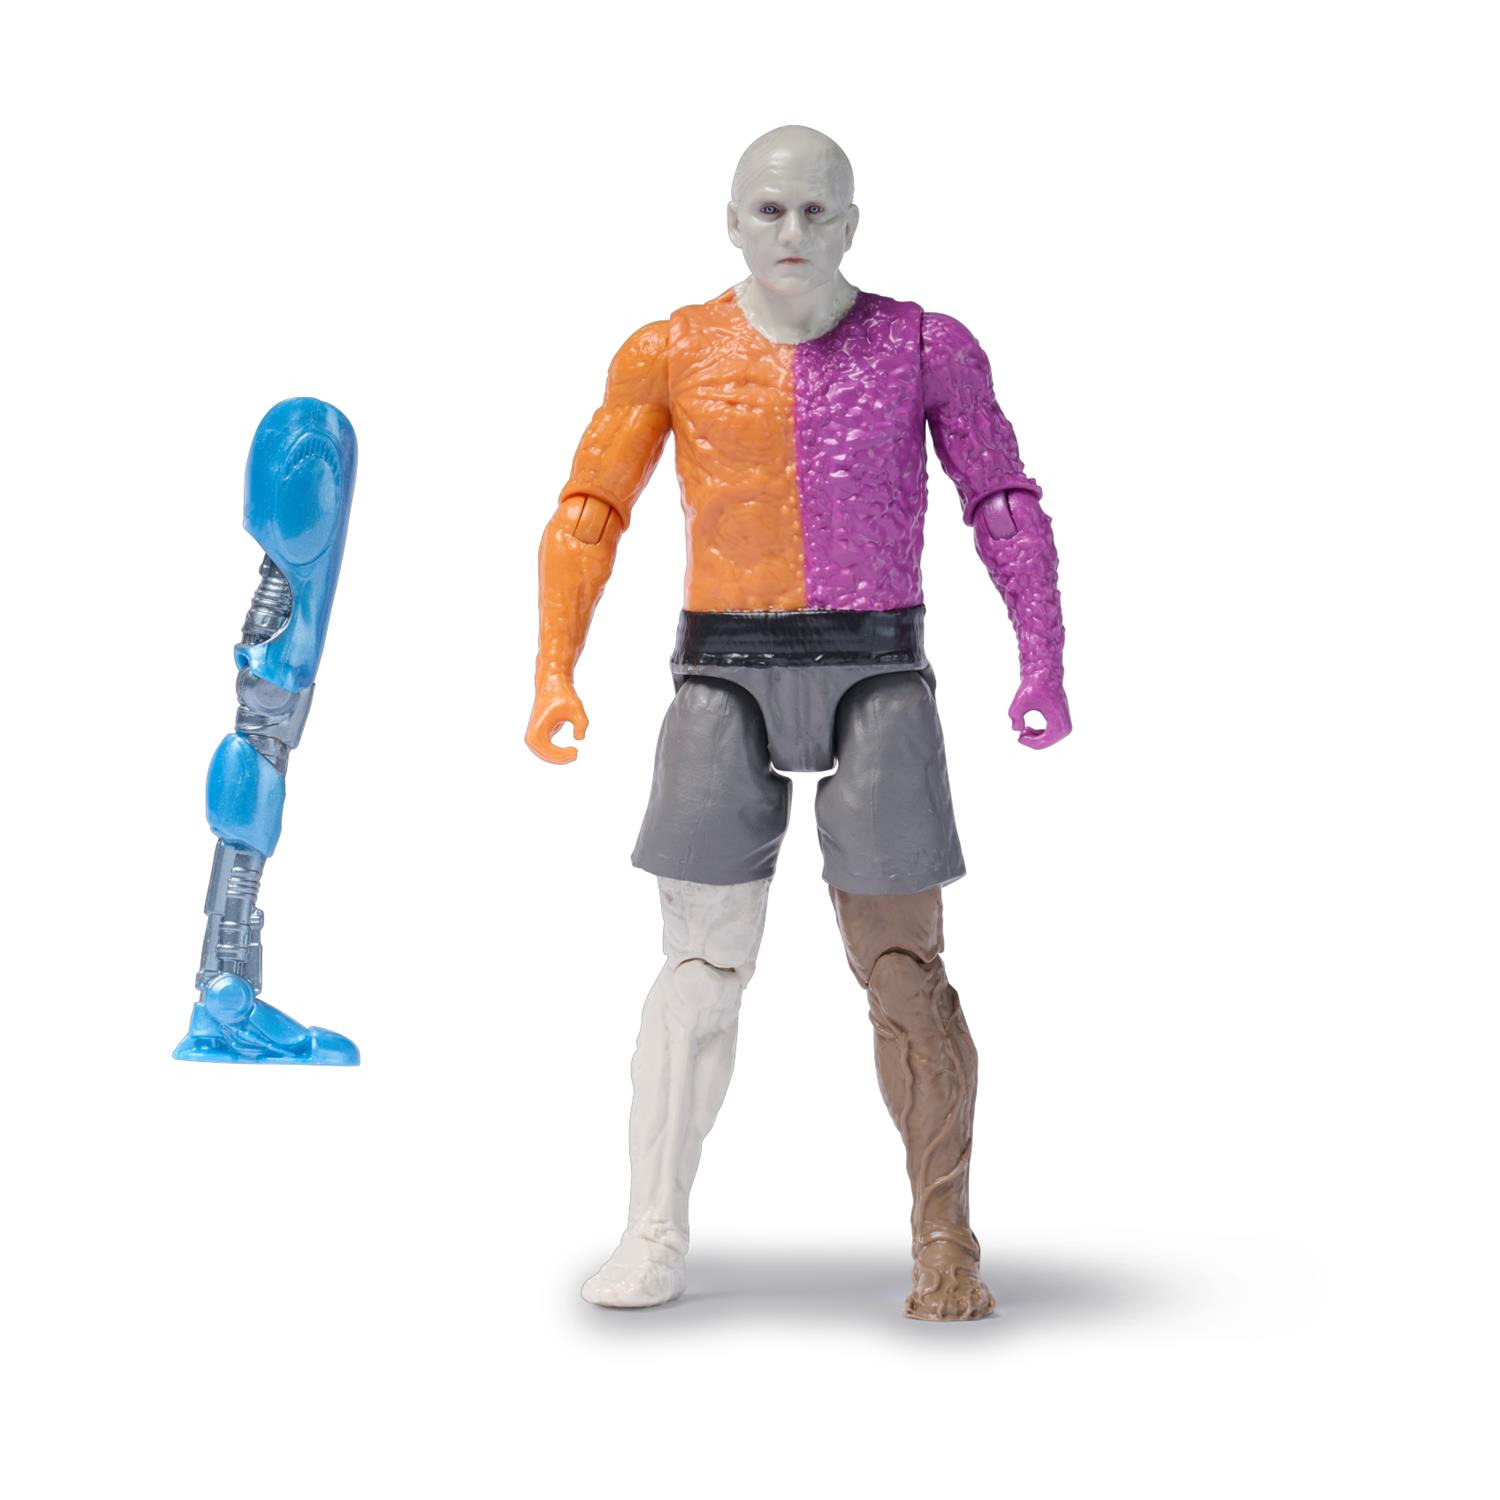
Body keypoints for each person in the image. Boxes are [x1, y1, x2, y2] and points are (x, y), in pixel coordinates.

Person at [526, 125, 1069, 1320]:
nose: (792, 233)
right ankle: (653, 1227)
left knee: (903, 965)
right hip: (725, 667)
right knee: (699, 965)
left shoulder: (924, 345)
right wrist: (555, 667)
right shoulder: (672, 348)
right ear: (731, 221)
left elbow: (1000, 499)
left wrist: (1042, 654)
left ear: (851, 224)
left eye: (816, 212)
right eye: (769, 210)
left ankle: (944, 1240)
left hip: (878, 663)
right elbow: (591, 507)